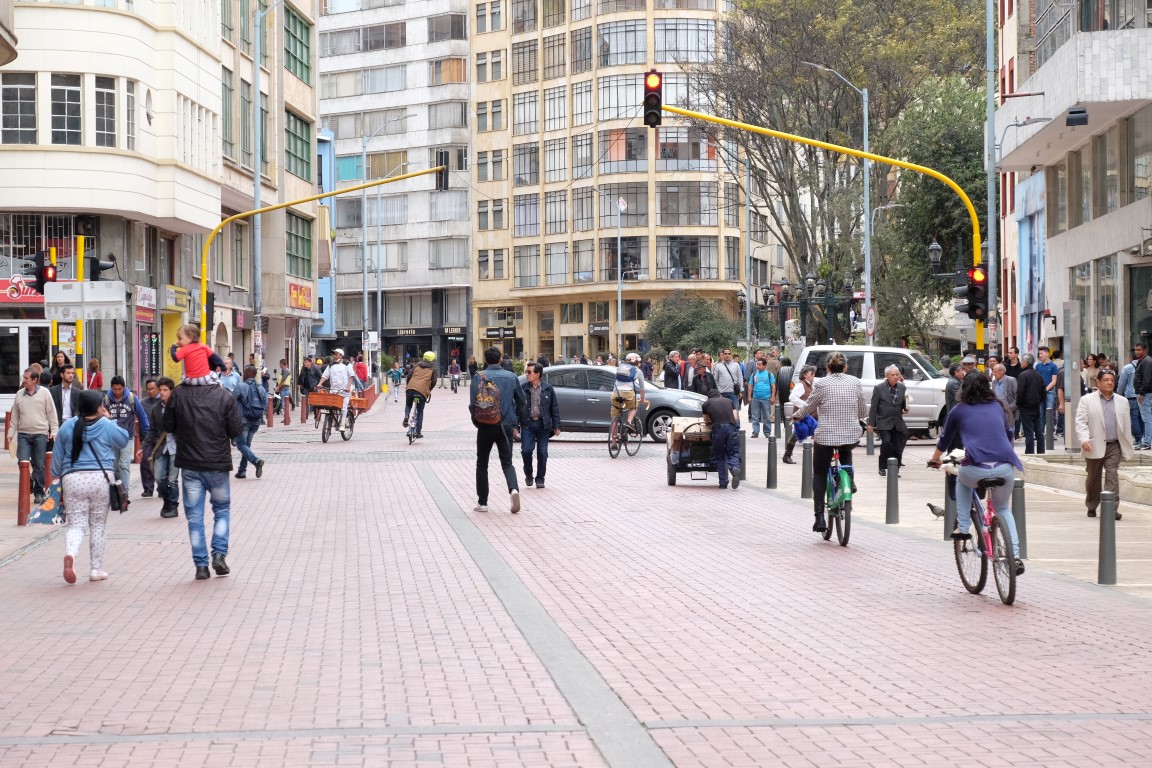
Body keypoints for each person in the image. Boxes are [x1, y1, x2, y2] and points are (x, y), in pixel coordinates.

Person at [928, 372, 1024, 575]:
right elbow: (1008, 433)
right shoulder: (998, 406)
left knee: (961, 479)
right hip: (1005, 467)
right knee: (1003, 509)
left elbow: (945, 439)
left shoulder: (959, 410)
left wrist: (935, 459)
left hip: (976, 468)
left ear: (964, 389)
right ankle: (1015, 556)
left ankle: (963, 528)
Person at [162, 373, 244, 580]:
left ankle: (201, 565)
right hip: (217, 463)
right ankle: (219, 554)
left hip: (190, 464)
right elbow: (235, 429)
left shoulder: (178, 394)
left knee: (195, 517)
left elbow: (168, 425)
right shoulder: (224, 395)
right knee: (222, 510)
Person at [52, 389, 130, 584]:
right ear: (98, 407)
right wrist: (110, 419)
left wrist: (57, 478)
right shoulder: (106, 425)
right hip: (100, 479)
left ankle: (70, 553)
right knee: (98, 525)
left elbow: (56, 461)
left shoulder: (67, 426)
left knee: (76, 525)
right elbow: (123, 440)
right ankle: (96, 569)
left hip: (72, 479)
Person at [791, 352, 866, 533]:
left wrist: (797, 416)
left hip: (826, 437)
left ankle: (819, 518)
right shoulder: (855, 382)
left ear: (828, 368)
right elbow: (862, 411)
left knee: (819, 473)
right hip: (850, 435)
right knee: (846, 451)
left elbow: (809, 406)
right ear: (845, 367)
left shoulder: (821, 384)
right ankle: (849, 480)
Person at [469, 347, 527, 514]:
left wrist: (477, 421)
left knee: (482, 463)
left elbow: (473, 404)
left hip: (485, 424)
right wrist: (515, 418)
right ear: (500, 359)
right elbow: (522, 401)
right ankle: (513, 490)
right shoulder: (511, 377)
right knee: (507, 462)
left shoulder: (478, 376)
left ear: (485, 359)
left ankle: (483, 502)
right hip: (506, 424)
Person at [1076, 368, 1132, 520]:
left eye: (1112, 380)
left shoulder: (1122, 401)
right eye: (1106, 380)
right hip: (1093, 445)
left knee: (1112, 475)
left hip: (1114, 445)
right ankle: (1092, 504)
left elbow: (1126, 426)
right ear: (1098, 382)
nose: (1109, 383)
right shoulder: (1086, 400)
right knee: (1093, 478)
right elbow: (1081, 422)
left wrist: (1127, 445)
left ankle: (1110, 509)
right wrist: (1084, 439)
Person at [8, 367, 58, 505]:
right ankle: (29, 480)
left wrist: (54, 431)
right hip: (23, 434)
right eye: (23, 377)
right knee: (22, 462)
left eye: (26, 378)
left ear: (35, 380)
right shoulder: (19, 394)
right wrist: (11, 433)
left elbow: (52, 414)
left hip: (40, 434)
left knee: (39, 465)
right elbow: (15, 416)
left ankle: (39, 492)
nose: (23, 380)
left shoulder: (45, 393)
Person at [103, 376, 150, 493]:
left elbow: (142, 416)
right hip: (112, 438)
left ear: (124, 387)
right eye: (115, 389)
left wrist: (146, 434)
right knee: (114, 466)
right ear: (111, 388)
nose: (117, 392)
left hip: (127, 437)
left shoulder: (131, 398)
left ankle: (125, 492)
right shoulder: (106, 399)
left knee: (124, 465)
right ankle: (117, 491)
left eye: (120, 389)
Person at [518, 362, 560, 489]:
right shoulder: (523, 388)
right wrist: (515, 426)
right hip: (528, 424)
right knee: (526, 451)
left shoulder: (548, 388)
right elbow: (517, 407)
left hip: (543, 425)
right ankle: (528, 474)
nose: (527, 374)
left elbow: (554, 407)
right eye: (526, 372)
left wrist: (557, 426)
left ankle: (540, 478)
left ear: (538, 374)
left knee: (542, 453)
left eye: (529, 372)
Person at [867, 364, 909, 477]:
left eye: (897, 375)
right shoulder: (879, 388)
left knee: (897, 447)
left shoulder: (902, 388)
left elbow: (904, 403)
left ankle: (895, 470)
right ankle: (882, 466)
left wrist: (905, 408)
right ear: (887, 376)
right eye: (893, 375)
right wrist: (871, 424)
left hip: (897, 421)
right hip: (884, 422)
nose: (895, 377)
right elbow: (874, 407)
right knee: (887, 443)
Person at [150, 377, 180, 518]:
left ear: (171, 391)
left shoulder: (179, 407)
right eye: (160, 390)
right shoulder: (155, 408)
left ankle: (172, 505)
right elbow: (152, 429)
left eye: (165, 390)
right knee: (159, 477)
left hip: (176, 447)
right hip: (161, 447)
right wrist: (144, 447)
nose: (162, 392)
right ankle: (166, 500)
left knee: (172, 479)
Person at [702, 388, 742, 489]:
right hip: (731, 428)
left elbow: (706, 420)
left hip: (718, 429)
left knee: (719, 455)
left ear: (709, 397)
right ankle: (734, 468)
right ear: (720, 395)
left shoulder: (706, 404)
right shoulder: (729, 401)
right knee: (733, 452)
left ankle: (723, 482)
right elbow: (735, 417)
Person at [234, 365, 267, 479]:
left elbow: (231, 400)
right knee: (246, 445)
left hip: (243, 420)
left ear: (246, 374)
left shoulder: (241, 386)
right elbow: (265, 404)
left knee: (241, 444)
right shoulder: (261, 388)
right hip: (256, 421)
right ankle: (242, 471)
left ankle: (256, 461)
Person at [610, 352, 646, 443]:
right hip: (628, 394)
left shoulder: (620, 367)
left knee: (615, 419)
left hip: (616, 393)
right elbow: (642, 388)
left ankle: (613, 442)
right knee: (634, 407)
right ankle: (629, 422)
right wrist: (642, 399)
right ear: (637, 362)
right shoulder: (638, 371)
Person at [782, 365, 815, 464]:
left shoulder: (810, 384)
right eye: (811, 373)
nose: (813, 375)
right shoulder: (801, 385)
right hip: (802, 415)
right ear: (805, 375)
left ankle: (787, 455)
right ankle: (787, 455)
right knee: (796, 434)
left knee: (816, 432)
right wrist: (805, 406)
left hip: (809, 414)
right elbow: (792, 397)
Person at [1016, 353, 1046, 455]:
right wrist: (1038, 401)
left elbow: (1020, 392)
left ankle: (1029, 453)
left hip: (1025, 407)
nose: (1021, 363)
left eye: (1022, 361)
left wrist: (1019, 404)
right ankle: (1041, 452)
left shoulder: (1022, 375)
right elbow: (1043, 391)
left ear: (1025, 362)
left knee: (1029, 433)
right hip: (1036, 406)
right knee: (1039, 432)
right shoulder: (1038, 375)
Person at [318, 348, 356, 425]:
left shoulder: (347, 364)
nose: (334, 356)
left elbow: (351, 376)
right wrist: (320, 383)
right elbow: (325, 376)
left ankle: (342, 424)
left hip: (344, 390)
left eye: (336, 354)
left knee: (343, 408)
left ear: (341, 356)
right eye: (334, 354)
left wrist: (348, 387)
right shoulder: (331, 365)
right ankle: (333, 421)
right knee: (332, 407)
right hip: (334, 390)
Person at [403, 352, 437, 437]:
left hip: (410, 388)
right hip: (421, 391)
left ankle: (407, 415)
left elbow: (409, 376)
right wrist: (429, 389)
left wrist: (408, 385)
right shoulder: (433, 368)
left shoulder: (417, 365)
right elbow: (434, 381)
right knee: (420, 411)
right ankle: (418, 432)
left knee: (408, 404)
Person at [138, 378, 162, 497]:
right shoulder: (142, 403)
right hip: (147, 438)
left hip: (161, 439)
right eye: (148, 389)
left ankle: (162, 488)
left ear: (157, 388)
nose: (150, 391)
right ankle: (148, 488)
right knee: (145, 462)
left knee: (161, 464)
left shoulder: (163, 402)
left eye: (152, 388)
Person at [746, 357, 776, 438]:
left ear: (765, 365)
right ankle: (755, 432)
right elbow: (750, 385)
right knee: (755, 416)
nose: (758, 366)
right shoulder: (754, 374)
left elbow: (773, 386)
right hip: (755, 398)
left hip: (766, 399)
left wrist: (773, 397)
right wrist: (749, 396)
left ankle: (767, 432)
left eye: (760, 365)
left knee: (767, 416)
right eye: (757, 364)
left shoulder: (769, 375)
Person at [1119, 349, 1143, 449]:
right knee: (1142, 418)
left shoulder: (1127, 368)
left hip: (1131, 396)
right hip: (1143, 395)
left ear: (1130, 357)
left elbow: (1122, 383)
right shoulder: (1144, 365)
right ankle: (1145, 438)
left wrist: (1118, 395)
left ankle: (1138, 439)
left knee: (1134, 418)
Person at [713, 348, 746, 415]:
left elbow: (740, 378)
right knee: (722, 413)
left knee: (735, 413)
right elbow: (715, 379)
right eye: (725, 354)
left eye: (729, 354)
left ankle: (736, 422)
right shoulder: (718, 366)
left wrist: (741, 391)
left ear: (731, 355)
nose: (727, 355)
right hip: (722, 393)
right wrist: (717, 391)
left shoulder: (736, 365)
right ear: (723, 355)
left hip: (733, 393)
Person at [990, 364, 1018, 440]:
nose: (993, 373)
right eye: (993, 371)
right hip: (997, 410)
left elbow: (1017, 395)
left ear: (1002, 372)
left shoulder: (1011, 380)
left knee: (1009, 431)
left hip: (1008, 410)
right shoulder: (994, 382)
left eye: (995, 371)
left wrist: (1011, 408)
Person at [1035, 345, 1059, 432]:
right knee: (1040, 413)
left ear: (1047, 354)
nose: (1040, 355)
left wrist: (1045, 389)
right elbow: (1036, 379)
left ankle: (1049, 433)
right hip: (1040, 393)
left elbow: (1054, 381)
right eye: (1039, 353)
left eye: (1042, 353)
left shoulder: (1053, 366)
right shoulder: (1038, 366)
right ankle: (1040, 432)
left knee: (1049, 412)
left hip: (1049, 392)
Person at [1135, 343, 1152, 450]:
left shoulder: (1147, 361)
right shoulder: (1143, 361)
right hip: (1144, 393)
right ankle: (1146, 441)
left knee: (1147, 418)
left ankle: (1147, 442)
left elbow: (1147, 379)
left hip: (1145, 394)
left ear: (1144, 350)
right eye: (1136, 349)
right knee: (1146, 417)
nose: (1137, 352)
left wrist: (1142, 393)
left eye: (1139, 350)